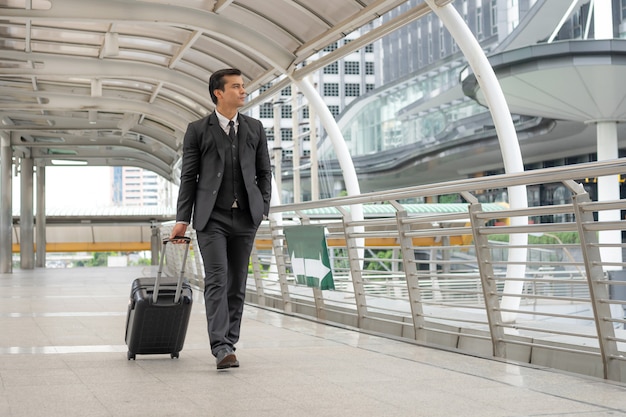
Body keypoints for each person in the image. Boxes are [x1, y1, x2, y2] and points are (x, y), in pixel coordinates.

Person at [169, 68, 272, 370]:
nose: (243, 91)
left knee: (237, 283)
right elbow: (189, 177)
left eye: (243, 86)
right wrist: (181, 219)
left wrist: (262, 208)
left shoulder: (254, 128)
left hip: (246, 218)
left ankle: (230, 340)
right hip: (211, 218)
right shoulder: (198, 130)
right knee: (217, 279)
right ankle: (221, 347)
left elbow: (265, 173)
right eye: (237, 87)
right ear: (218, 92)